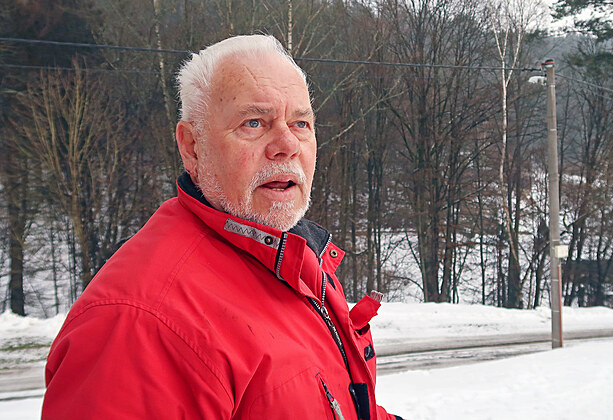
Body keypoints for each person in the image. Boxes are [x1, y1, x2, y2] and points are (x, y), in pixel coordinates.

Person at [42, 34, 403, 420]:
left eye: (300, 123)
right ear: (192, 146)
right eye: (254, 123)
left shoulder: (297, 259)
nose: (287, 144)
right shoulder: (139, 324)